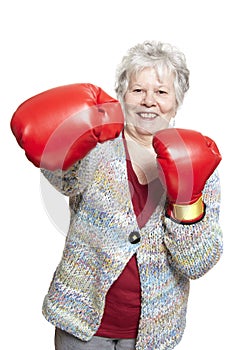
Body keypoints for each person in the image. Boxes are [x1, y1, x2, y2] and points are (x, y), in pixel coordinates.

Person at [11, 41, 223, 350]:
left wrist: (186, 202)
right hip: (82, 322)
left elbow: (198, 263)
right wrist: (59, 143)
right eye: (138, 90)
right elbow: (66, 180)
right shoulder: (97, 146)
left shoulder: (198, 161)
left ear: (177, 101)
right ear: (122, 95)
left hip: (154, 331)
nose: (149, 101)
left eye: (161, 92)